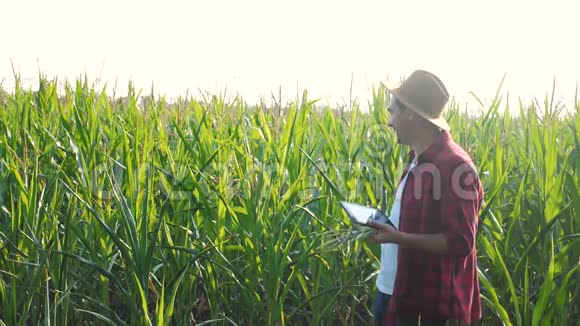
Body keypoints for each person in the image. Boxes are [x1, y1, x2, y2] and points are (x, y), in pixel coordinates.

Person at [367, 70, 484, 326]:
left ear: (410, 113)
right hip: (393, 293)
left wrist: (397, 238)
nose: (389, 122)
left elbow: (460, 241)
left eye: (392, 112)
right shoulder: (415, 159)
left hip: (424, 308)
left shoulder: (456, 167)